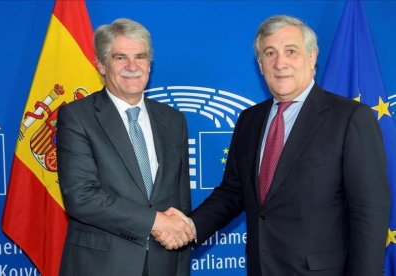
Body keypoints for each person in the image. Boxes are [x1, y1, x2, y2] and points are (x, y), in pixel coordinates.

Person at [157, 15, 390, 275]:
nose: (280, 63)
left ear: (311, 58)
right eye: (270, 53)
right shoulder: (250, 120)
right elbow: (233, 193)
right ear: (260, 64)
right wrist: (190, 227)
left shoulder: (349, 118)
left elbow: (369, 213)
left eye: (291, 51)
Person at [56, 18, 194, 276]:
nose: (133, 66)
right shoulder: (77, 117)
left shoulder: (173, 120)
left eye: (140, 57)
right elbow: (82, 196)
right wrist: (155, 222)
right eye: (121, 57)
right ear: (101, 65)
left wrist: (180, 254)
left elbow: (180, 200)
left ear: (149, 65)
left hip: (164, 263)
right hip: (102, 266)